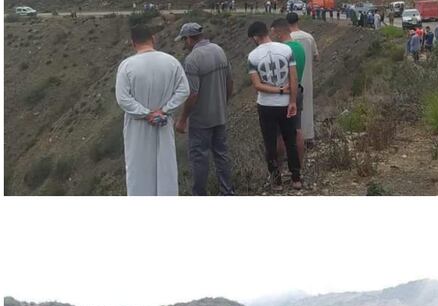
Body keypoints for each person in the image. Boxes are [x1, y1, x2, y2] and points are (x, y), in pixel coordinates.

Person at [115, 23, 190, 196]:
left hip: (138, 127)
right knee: (165, 168)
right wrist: (165, 110)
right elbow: (184, 90)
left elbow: (123, 99)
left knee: (138, 171)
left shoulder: (127, 66)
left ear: (133, 43)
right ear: (153, 39)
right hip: (163, 123)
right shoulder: (171, 62)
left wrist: (146, 113)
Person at [173, 22, 235, 196]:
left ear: (189, 38)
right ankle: (227, 192)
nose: (184, 44)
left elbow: (193, 94)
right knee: (222, 155)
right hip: (220, 116)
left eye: (184, 40)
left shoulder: (192, 59)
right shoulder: (219, 50)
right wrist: (224, 103)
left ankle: (199, 195)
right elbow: (230, 82)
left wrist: (183, 119)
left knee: (199, 159)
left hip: (201, 120)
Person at [247, 21, 302, 190]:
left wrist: (277, 90)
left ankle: (276, 181)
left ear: (255, 37)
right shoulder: (286, 50)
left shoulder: (253, 56)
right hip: (286, 103)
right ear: (266, 32)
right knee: (290, 140)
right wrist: (292, 100)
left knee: (270, 143)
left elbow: (257, 85)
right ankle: (296, 178)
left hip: (266, 104)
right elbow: (293, 78)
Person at [271, 19, 309, 167]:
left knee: (279, 133)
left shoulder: (282, 50)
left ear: (278, 32)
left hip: (284, 92)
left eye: (273, 33)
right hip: (298, 90)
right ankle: (299, 166)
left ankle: (278, 169)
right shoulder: (299, 47)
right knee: (297, 129)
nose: (272, 36)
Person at [285, 12, 320, 146]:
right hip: (308, 77)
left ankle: (293, 139)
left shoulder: (287, 40)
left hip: (292, 79)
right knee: (307, 106)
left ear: (287, 23)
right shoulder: (308, 37)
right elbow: (317, 57)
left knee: (293, 108)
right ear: (298, 21)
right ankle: (309, 136)